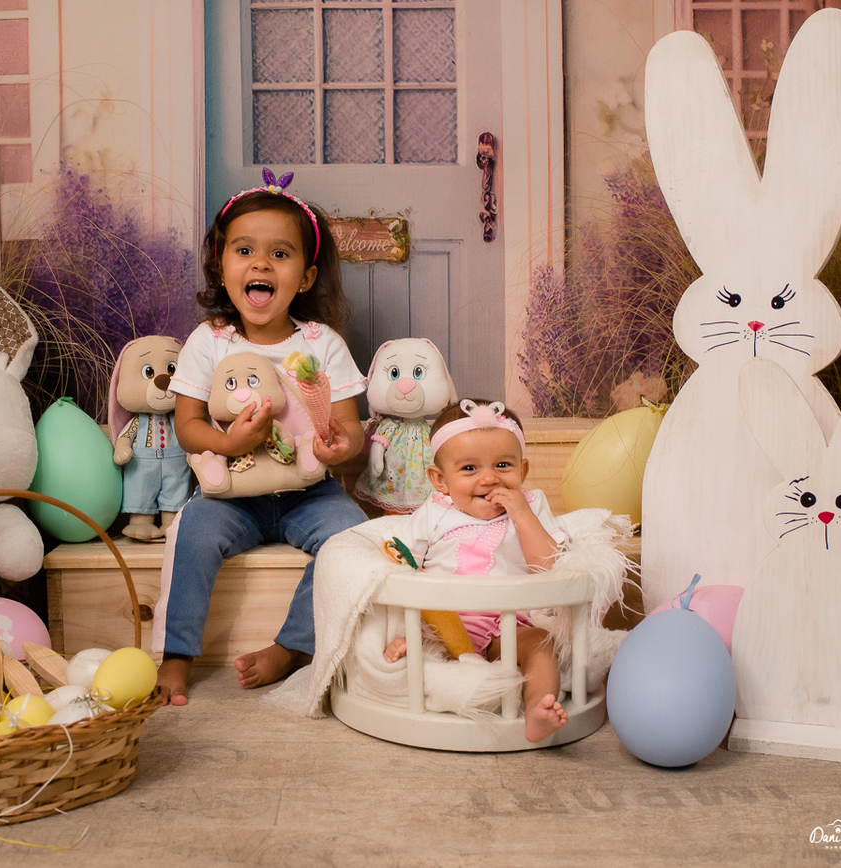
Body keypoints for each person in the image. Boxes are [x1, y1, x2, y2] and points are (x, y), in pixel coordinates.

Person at [154, 169, 368, 706]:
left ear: (306, 276)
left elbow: (350, 429)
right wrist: (231, 445)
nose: (260, 264)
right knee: (191, 530)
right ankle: (177, 653)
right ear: (221, 266)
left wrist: (340, 445)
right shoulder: (210, 341)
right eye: (244, 250)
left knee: (352, 538)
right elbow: (188, 426)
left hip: (309, 492)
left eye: (280, 254)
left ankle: (293, 646)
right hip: (232, 492)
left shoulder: (322, 344)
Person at [381, 399, 570, 742]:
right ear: (440, 480)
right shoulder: (436, 511)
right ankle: (415, 653)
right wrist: (412, 627)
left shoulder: (531, 504)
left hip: (506, 625)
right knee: (407, 641)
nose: (489, 478)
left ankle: (538, 708)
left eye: (503, 465)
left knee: (542, 646)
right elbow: (402, 560)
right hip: (443, 623)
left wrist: (521, 514)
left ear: (523, 471)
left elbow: (550, 567)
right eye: (469, 468)